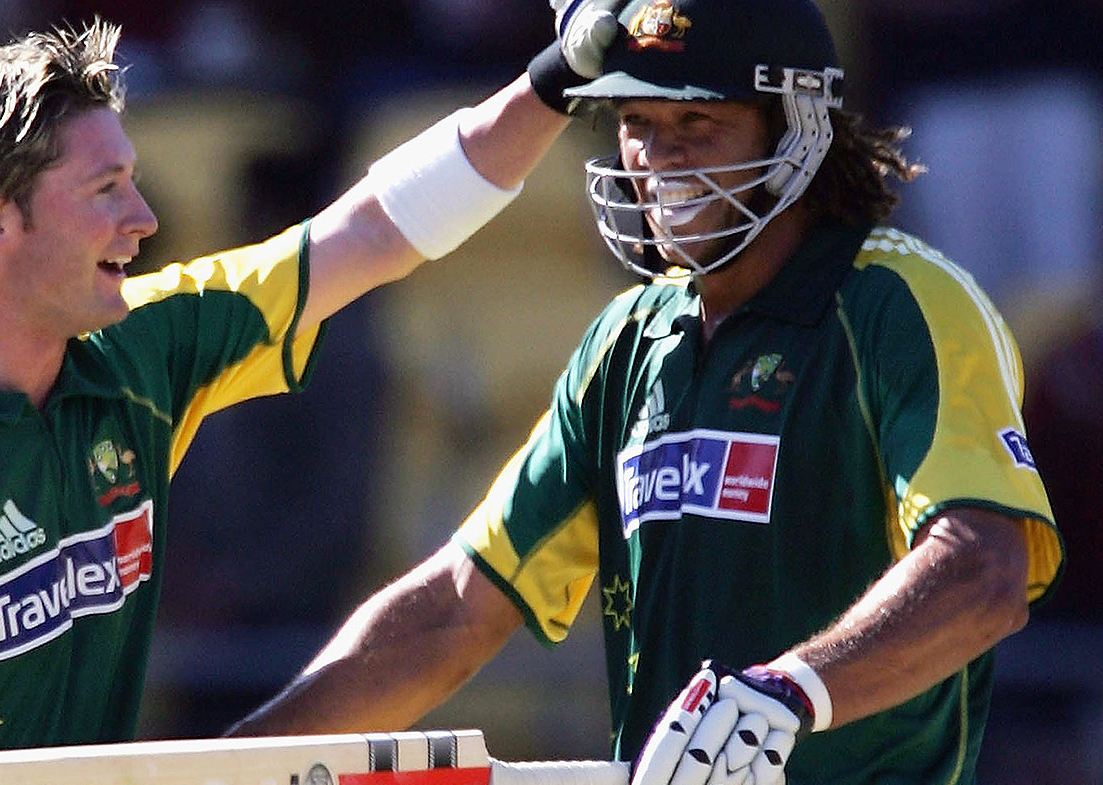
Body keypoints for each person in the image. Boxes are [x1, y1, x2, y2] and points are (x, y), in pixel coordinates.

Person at [0, 13, 617, 783]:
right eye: (105, 189)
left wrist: (557, 79)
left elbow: (377, 229)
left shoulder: (142, 349)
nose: (145, 217)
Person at [228, 1, 1064, 784]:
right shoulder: (626, 338)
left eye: (696, 121)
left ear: (799, 124)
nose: (660, 157)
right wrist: (231, 762)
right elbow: (457, 604)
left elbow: (982, 573)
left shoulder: (902, 304)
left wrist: (787, 693)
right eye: (636, 124)